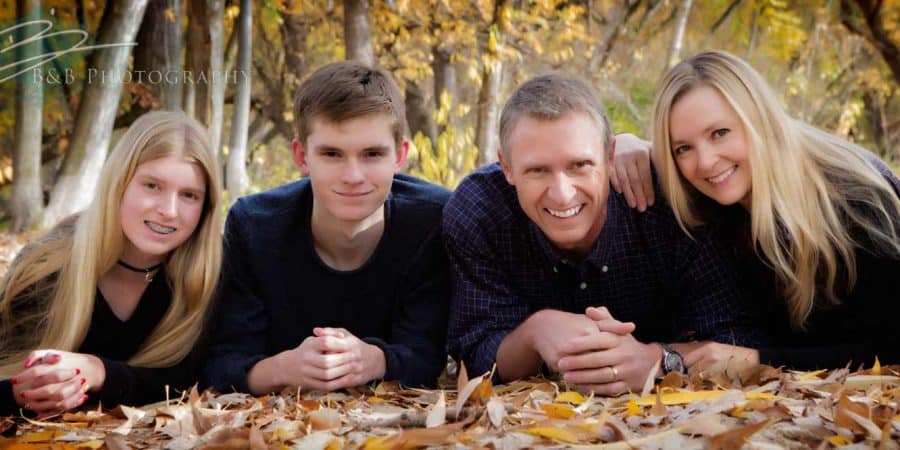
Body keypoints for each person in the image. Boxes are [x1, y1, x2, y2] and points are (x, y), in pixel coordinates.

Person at [444, 73, 761, 396]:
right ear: (507, 167)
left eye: (580, 165)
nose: (562, 194)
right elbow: (472, 355)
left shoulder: (666, 199)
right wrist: (533, 334)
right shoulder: (480, 209)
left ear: (610, 157)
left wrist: (661, 359)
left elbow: (737, 337)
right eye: (537, 170)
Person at [611, 50, 900, 371]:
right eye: (684, 148)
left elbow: (892, 348)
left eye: (720, 133)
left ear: (759, 120)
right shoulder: (710, 200)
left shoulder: (856, 201)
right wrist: (622, 144)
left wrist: (758, 361)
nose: (705, 162)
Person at [203, 62, 450, 395]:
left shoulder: (433, 220)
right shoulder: (254, 226)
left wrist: (373, 360)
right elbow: (223, 364)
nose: (352, 176)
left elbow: (430, 356)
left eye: (372, 154)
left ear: (399, 156)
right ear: (302, 157)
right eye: (332, 154)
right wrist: (286, 367)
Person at [0, 111, 223, 417]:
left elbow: (191, 378)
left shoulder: (210, 274)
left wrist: (96, 372)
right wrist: (22, 392)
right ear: (118, 183)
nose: (169, 211)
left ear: (205, 207)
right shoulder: (45, 265)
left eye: (189, 195)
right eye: (152, 186)